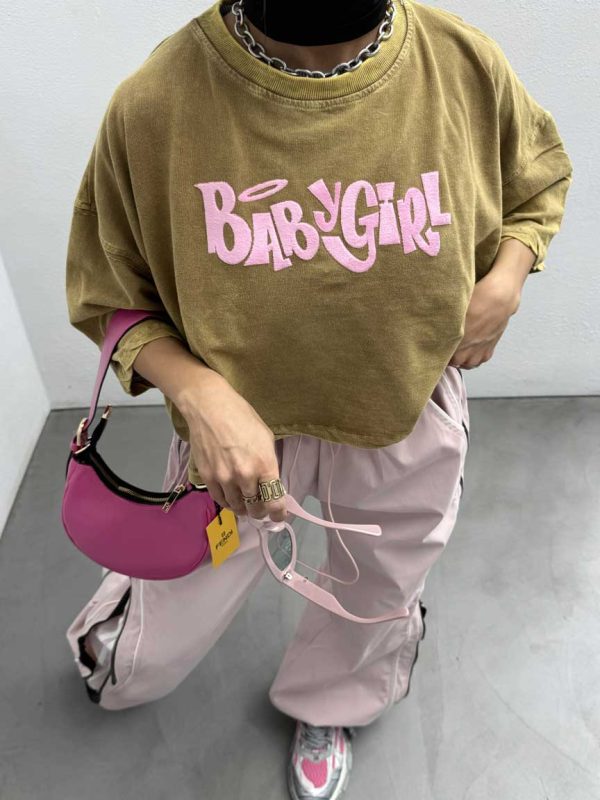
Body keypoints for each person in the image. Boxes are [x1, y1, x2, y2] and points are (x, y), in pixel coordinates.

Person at [63, 0, 573, 797]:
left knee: (378, 588)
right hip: (233, 441)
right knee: (176, 594)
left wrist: (506, 279)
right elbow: (107, 292)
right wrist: (198, 392)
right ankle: (122, 645)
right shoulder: (158, 102)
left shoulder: (461, 63)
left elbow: (537, 181)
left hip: (403, 410)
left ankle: (331, 704)